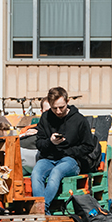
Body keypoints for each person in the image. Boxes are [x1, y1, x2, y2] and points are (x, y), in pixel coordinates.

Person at [30, 86, 97, 215]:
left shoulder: (79, 120)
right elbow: (39, 143)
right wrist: (51, 142)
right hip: (48, 158)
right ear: (49, 105)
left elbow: (88, 146)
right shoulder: (46, 117)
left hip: (70, 159)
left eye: (61, 107)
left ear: (67, 102)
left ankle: (41, 210)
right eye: (54, 108)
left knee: (56, 173)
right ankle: (41, 210)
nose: (58, 111)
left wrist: (69, 152)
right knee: (36, 173)